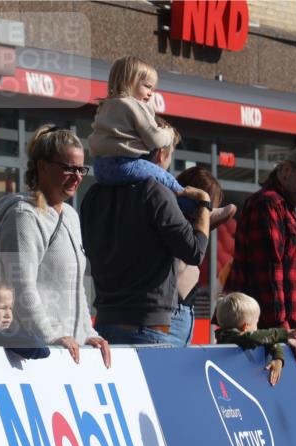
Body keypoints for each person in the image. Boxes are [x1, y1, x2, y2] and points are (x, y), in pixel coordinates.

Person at [0, 126, 110, 366]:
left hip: (68, 352)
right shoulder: (23, 216)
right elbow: (20, 287)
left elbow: (76, 286)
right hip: (34, 357)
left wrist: (87, 333)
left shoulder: (70, 215)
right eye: (68, 168)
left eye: (81, 169)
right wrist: (49, 335)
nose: (77, 176)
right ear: (42, 166)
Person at [80, 120, 209, 346]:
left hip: (104, 323)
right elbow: (195, 252)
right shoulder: (156, 192)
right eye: (171, 155)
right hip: (148, 328)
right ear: (160, 154)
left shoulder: (94, 193)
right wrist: (204, 206)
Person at [88, 56, 234, 221]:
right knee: (166, 180)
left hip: (100, 167)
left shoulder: (107, 105)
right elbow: (154, 138)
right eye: (148, 87)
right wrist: (169, 135)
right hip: (123, 165)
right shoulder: (132, 106)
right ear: (129, 81)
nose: (151, 94)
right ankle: (200, 210)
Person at [226, 145, 296, 364]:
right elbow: (269, 273)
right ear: (285, 171)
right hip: (261, 338)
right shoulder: (268, 204)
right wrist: (282, 331)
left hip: (283, 336)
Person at [170, 166, 235, 346]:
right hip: (171, 311)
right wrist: (204, 204)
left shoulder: (180, 220)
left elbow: (230, 209)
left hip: (182, 312)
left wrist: (205, 210)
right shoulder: (173, 219)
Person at [213, 292, 296, 386]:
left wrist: (278, 357)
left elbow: (265, 340)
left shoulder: (241, 338)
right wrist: (284, 333)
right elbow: (255, 337)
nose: (257, 327)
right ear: (245, 327)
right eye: (256, 322)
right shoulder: (231, 338)